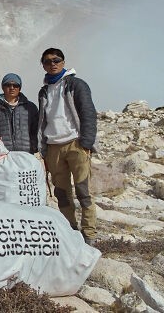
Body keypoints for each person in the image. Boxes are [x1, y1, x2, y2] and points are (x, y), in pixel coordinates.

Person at [37, 48, 98, 245]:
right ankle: (71, 231)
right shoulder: (44, 91)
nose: (52, 64)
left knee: (83, 190)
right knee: (62, 193)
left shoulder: (76, 85)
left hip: (75, 144)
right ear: (43, 66)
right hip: (53, 146)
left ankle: (89, 235)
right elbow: (43, 119)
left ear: (63, 62)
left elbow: (88, 112)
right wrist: (43, 148)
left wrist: (86, 142)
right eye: (47, 62)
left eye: (56, 60)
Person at [0, 73, 38, 153]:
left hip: (25, 155)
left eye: (15, 85)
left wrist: (33, 146)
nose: (12, 88)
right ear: (2, 87)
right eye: (8, 85)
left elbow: (36, 130)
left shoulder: (30, 107)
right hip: (2, 156)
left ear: (19, 88)